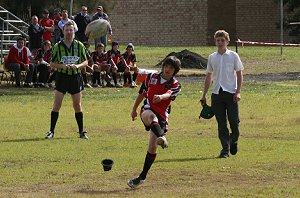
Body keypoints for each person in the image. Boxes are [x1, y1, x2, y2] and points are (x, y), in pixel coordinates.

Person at [127, 56, 181, 188]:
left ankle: (142, 177)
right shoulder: (151, 77)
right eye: (166, 66)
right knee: (150, 116)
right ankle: (162, 136)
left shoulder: (176, 84)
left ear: (175, 71)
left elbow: (169, 94)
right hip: (147, 109)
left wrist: (161, 97)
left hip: (162, 115)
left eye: (171, 68)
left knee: (152, 147)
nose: (167, 69)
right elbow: (141, 93)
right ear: (163, 66)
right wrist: (134, 109)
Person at [200, 30, 244, 158]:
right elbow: (209, 76)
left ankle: (233, 140)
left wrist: (238, 91)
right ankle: (225, 150)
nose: (220, 42)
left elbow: (239, 74)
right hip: (217, 94)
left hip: (231, 93)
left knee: (234, 122)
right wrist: (204, 95)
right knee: (221, 124)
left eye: (222, 40)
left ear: (227, 42)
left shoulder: (233, 56)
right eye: (218, 40)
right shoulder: (212, 57)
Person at [45, 21, 88, 139]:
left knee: (77, 105)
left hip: (75, 78)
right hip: (62, 78)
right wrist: (62, 66)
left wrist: (78, 66)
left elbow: (86, 61)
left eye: (71, 30)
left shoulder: (79, 46)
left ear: (74, 31)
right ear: (63, 32)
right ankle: (51, 131)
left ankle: (81, 131)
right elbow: (52, 63)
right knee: (57, 105)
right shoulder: (57, 47)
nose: (69, 32)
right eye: (67, 30)